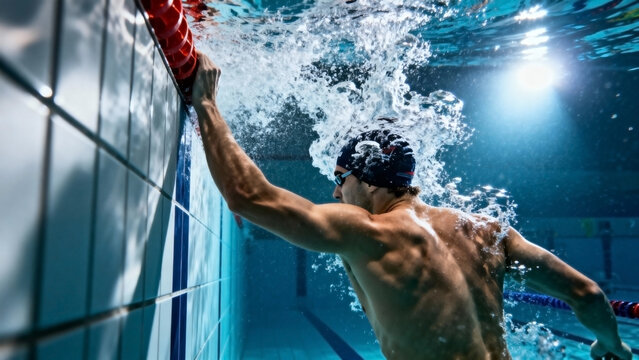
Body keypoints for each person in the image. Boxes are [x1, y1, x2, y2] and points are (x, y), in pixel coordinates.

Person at [191, 52, 632, 360]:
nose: (335, 194)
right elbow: (587, 294)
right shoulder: (487, 231)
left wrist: (207, 103)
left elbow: (250, 196)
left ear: (362, 178)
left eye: (339, 181)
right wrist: (611, 345)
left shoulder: (370, 232)